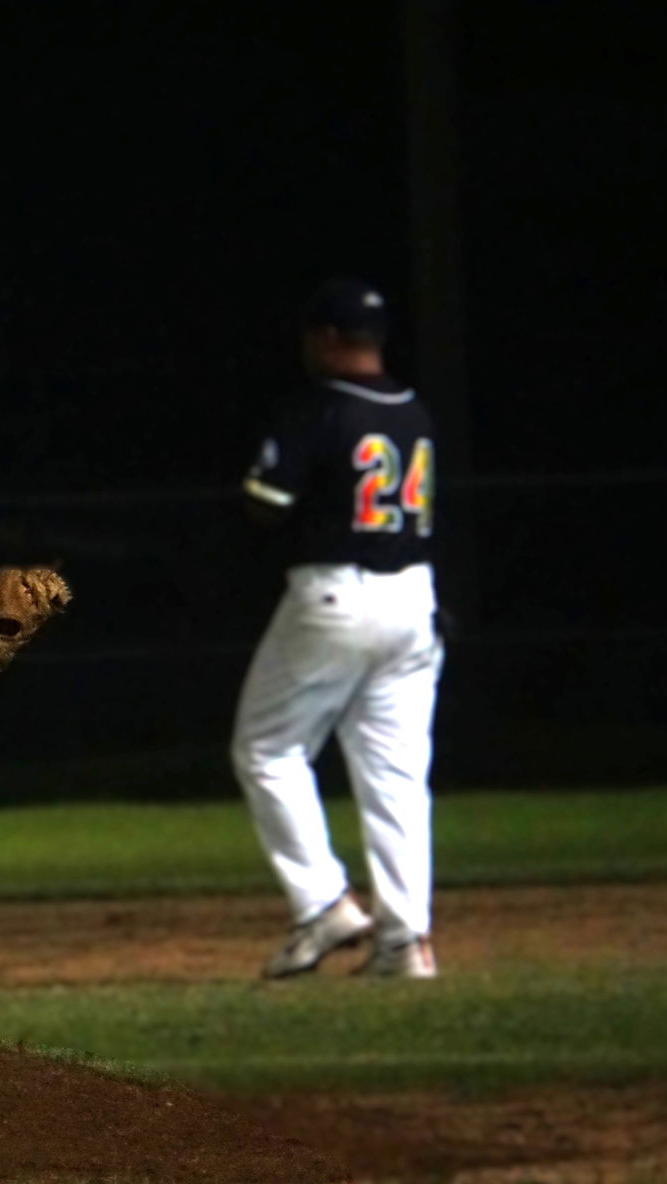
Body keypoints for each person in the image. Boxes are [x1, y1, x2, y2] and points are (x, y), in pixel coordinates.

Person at [230, 277, 444, 980]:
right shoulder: (411, 410)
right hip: (414, 599)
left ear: (325, 338)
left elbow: (266, 502)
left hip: (336, 594)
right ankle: (404, 941)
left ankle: (323, 903)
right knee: (396, 775)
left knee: (267, 750)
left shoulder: (319, 407)